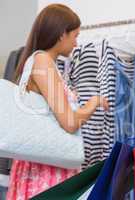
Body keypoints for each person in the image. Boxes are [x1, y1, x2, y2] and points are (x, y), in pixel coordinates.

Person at [6, 4, 109, 200]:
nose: (76, 43)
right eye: (75, 36)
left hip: (42, 164)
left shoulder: (41, 62)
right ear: (62, 34)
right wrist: (93, 102)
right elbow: (69, 122)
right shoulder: (42, 61)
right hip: (45, 171)